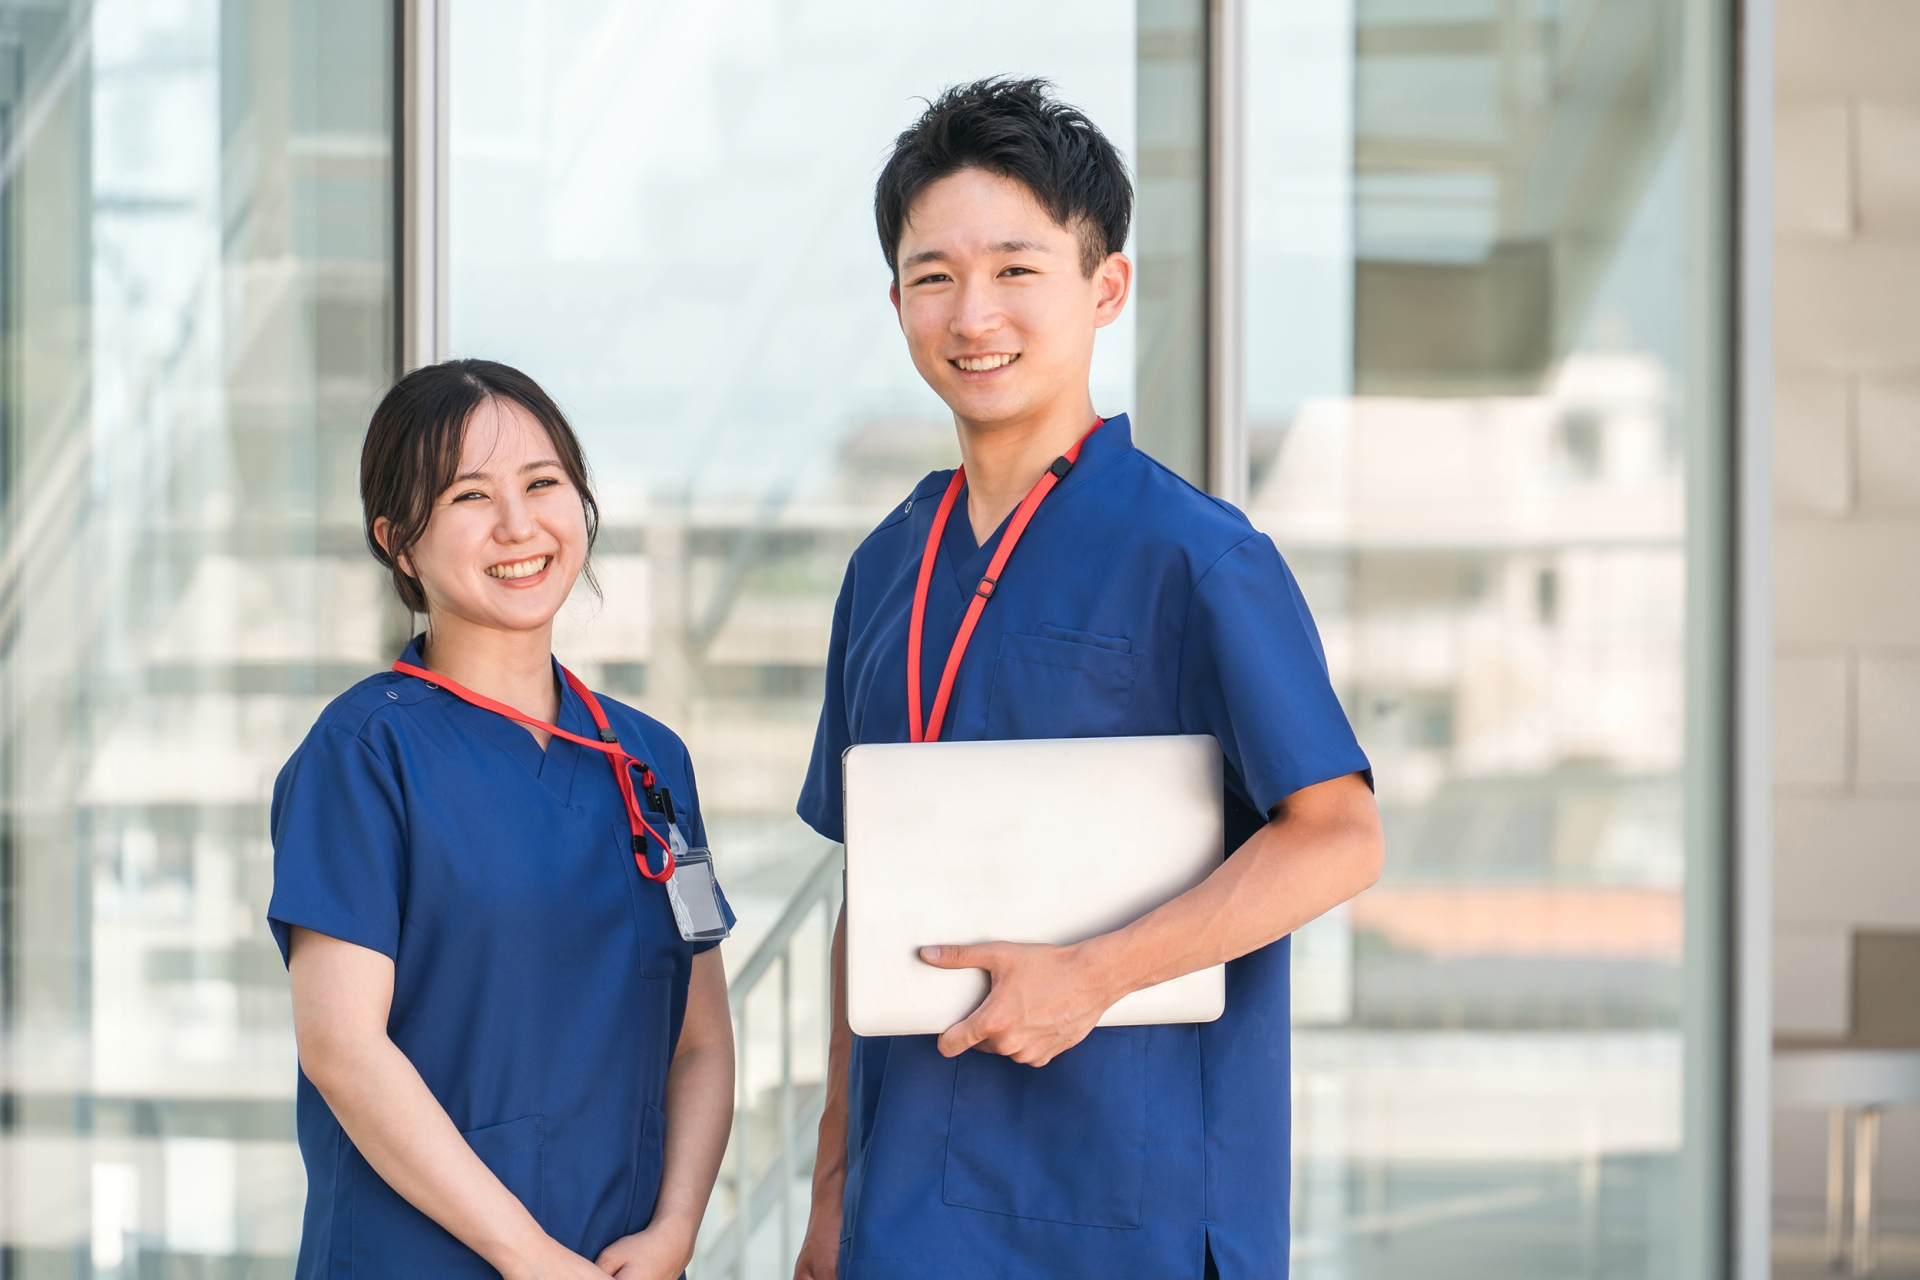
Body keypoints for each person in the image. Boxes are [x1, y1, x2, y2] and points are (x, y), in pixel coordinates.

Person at [792, 80, 1384, 1280]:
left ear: (1104, 287)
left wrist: (1088, 977)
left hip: (1134, 1204)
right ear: (897, 300)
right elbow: (874, 894)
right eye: (933, 275)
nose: (974, 313)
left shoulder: (1197, 556)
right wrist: (831, 1196)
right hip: (911, 1215)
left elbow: (1338, 836)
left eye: (1017, 269)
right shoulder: (886, 567)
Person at [268, 359, 735, 1280]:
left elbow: (703, 1042)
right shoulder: (363, 754)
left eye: (543, 484)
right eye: (470, 497)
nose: (519, 526)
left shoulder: (649, 761)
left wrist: (677, 1226)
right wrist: (526, 1258)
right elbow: (341, 1047)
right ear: (398, 542)